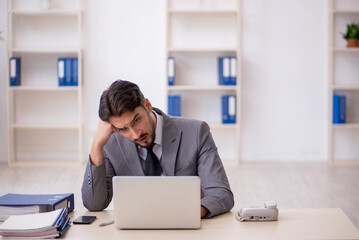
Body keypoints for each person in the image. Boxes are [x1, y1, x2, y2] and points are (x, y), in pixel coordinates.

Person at [81, 80, 234, 218]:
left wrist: (187, 214)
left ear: (147, 105)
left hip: (184, 229)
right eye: (123, 129)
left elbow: (221, 193)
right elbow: (94, 204)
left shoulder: (196, 132)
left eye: (136, 120)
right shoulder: (111, 144)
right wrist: (96, 146)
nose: (135, 134)